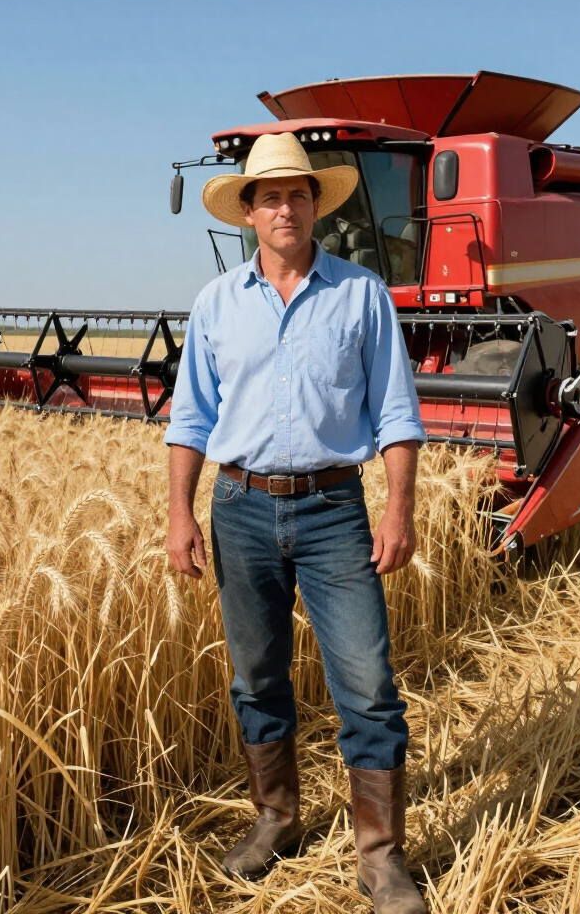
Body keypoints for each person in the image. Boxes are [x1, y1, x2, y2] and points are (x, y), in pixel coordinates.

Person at [164, 132, 427, 914]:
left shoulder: (362, 295)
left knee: (368, 684)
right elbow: (189, 420)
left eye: (298, 194)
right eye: (270, 196)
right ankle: (277, 819)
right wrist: (179, 513)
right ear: (248, 213)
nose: (286, 207)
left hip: (333, 509)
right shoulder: (216, 304)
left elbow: (395, 414)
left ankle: (380, 857)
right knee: (256, 677)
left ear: (317, 206)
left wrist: (399, 509)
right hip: (239, 509)